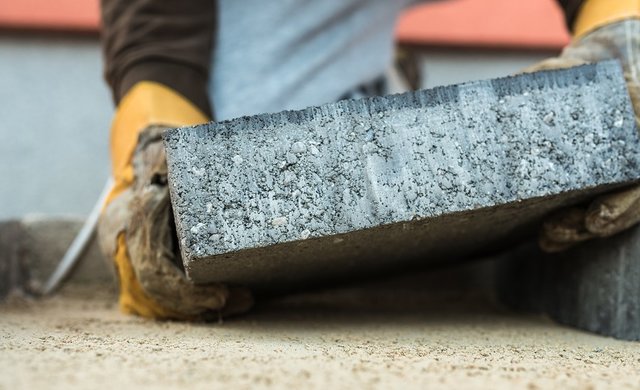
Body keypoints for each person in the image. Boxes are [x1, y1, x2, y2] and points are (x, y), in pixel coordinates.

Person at [98, 0, 640, 320]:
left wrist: (626, 44)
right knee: (236, 195)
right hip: (243, 75)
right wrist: (149, 153)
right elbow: (153, 34)